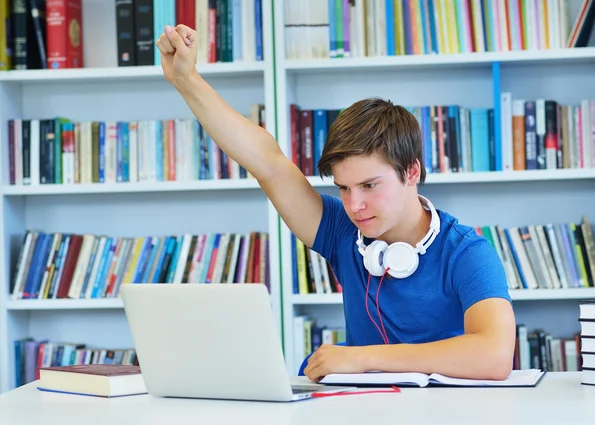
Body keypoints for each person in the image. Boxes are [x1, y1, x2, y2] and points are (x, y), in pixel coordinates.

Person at [156, 24, 516, 383]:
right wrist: (187, 80)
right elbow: (266, 161)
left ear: (411, 171)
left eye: (369, 185)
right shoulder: (343, 232)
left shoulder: (466, 252)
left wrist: (364, 358)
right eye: (343, 188)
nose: (355, 205)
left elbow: (495, 355)